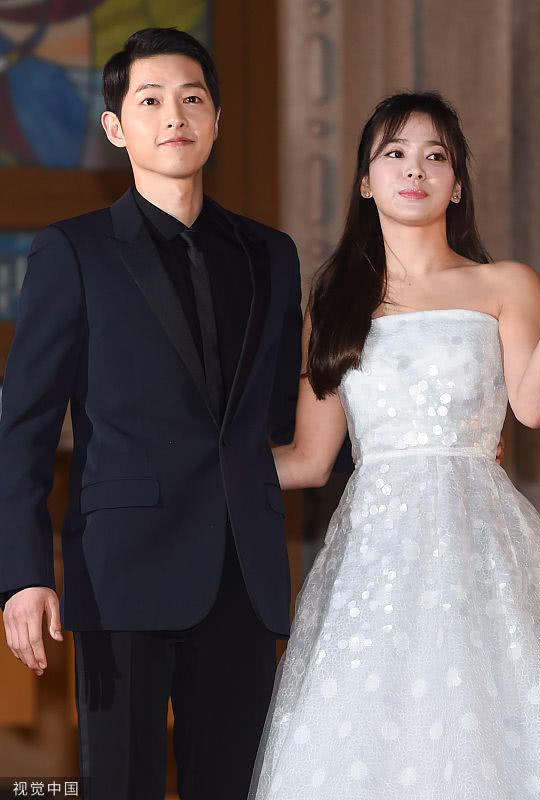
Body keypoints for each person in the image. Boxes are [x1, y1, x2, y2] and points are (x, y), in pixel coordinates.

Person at [248, 92, 540, 799]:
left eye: (436, 156)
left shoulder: (504, 283)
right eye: (394, 153)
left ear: (456, 184)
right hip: (375, 558)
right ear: (365, 182)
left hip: (479, 541)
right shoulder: (334, 304)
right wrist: (192, 467)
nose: (414, 169)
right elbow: (307, 460)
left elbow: (534, 407)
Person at [0, 27, 303, 800]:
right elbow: (24, 429)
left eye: (192, 98)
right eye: (151, 100)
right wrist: (24, 576)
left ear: (216, 120)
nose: (175, 115)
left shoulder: (271, 255)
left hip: (242, 574)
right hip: (120, 570)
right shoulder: (74, 251)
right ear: (115, 128)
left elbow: (282, 417)